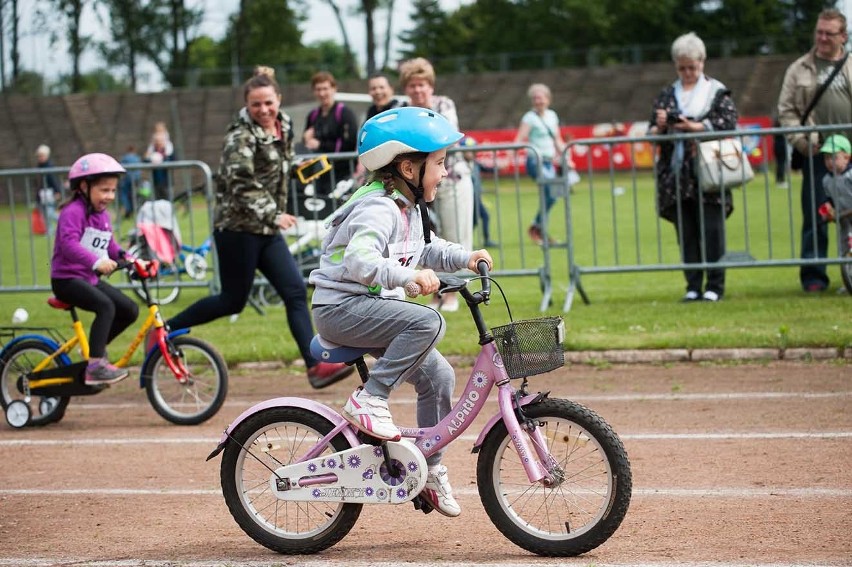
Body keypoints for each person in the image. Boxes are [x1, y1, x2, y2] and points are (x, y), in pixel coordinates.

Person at [309, 106, 493, 517]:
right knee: (429, 319)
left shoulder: (408, 209)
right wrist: (409, 279)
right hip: (341, 308)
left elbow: (424, 249)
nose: (445, 173)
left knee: (440, 376)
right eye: (440, 164)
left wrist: (466, 256)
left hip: (369, 307)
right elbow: (360, 261)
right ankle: (370, 398)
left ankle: (428, 468)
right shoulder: (379, 208)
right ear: (409, 168)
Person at [166, 66, 353, 389]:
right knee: (232, 300)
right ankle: (166, 331)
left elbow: (279, 165)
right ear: (246, 107)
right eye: (256, 105)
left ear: (279, 99)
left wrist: (299, 172)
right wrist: (274, 213)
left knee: (295, 291)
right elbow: (241, 181)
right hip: (237, 228)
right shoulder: (240, 137)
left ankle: (316, 367)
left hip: (265, 229)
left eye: (269, 102)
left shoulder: (286, 123)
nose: (264, 110)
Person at [648, 32, 739, 303]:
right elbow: (651, 130)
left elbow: (729, 123)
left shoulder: (717, 91)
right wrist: (662, 125)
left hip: (709, 171)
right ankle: (692, 285)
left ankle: (715, 286)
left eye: (693, 66)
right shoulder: (667, 94)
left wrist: (694, 126)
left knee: (712, 230)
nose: (687, 72)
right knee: (685, 232)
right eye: (682, 67)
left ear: (703, 62)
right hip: (676, 175)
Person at [778, 8, 852, 293]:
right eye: (818, 31)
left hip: (851, 155)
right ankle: (814, 277)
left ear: (843, 36)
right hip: (819, 154)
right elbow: (786, 111)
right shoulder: (799, 68)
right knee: (816, 215)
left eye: (828, 33)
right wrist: (802, 142)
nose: (821, 37)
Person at [50, 153, 139, 385]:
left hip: (87, 278)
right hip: (66, 279)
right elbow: (68, 244)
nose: (109, 196)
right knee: (105, 306)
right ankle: (96, 365)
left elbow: (110, 245)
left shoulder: (102, 215)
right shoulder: (73, 212)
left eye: (112, 191)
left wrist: (131, 259)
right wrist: (96, 262)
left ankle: (93, 353)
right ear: (84, 186)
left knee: (129, 310)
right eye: (103, 190)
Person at [399, 57, 473, 311]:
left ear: (430, 85)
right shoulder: (404, 110)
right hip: (417, 183)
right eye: (412, 85)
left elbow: (445, 138)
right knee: (425, 238)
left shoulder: (444, 104)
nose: (418, 90)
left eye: (422, 84)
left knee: (454, 235)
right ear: (406, 88)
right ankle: (435, 293)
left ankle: (452, 293)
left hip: (453, 178)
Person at [514, 83, 574, 246]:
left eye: (540, 98)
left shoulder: (552, 116)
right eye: (534, 98)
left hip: (549, 162)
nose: (538, 101)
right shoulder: (529, 118)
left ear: (548, 99)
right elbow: (519, 139)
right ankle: (538, 228)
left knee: (553, 195)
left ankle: (537, 227)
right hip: (536, 161)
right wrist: (520, 150)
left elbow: (557, 140)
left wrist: (567, 158)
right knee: (552, 190)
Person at [302, 71, 360, 194]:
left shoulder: (345, 113)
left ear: (334, 89)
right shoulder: (312, 115)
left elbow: (349, 144)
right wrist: (306, 139)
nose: (322, 93)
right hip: (318, 174)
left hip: (341, 174)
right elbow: (306, 144)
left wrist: (320, 145)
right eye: (318, 89)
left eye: (325, 88)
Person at [460, 136, 496, 247]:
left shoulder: (475, 163)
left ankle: (464, 240)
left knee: (474, 220)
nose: (471, 153)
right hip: (469, 198)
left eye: (473, 150)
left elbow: (487, 169)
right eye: (468, 151)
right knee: (484, 216)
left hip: (476, 197)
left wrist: (497, 169)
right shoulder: (461, 166)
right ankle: (483, 240)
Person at [817, 134, 852, 235]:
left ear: (846, 158)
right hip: (845, 225)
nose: (829, 162)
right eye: (826, 158)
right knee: (845, 249)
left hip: (846, 215)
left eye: (833, 157)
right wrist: (828, 210)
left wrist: (842, 214)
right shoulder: (826, 180)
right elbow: (829, 199)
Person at [35, 144, 62, 236]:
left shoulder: (49, 166)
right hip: (42, 192)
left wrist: (57, 191)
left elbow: (53, 180)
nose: (40, 157)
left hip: (50, 192)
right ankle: (50, 230)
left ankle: (63, 222)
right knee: (45, 212)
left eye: (42, 155)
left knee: (49, 212)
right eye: (39, 156)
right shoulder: (39, 166)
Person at [144, 122, 175, 200]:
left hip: (166, 180)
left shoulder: (168, 147)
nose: (159, 142)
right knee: (156, 199)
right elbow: (145, 159)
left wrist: (164, 158)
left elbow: (173, 159)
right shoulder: (152, 147)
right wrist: (149, 158)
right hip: (155, 180)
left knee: (167, 199)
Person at [118, 145, 143, 219]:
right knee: (135, 195)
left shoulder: (125, 158)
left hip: (127, 179)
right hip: (136, 180)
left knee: (124, 195)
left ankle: (128, 209)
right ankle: (135, 210)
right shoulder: (137, 158)